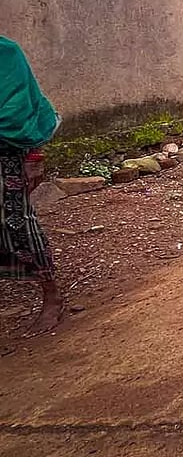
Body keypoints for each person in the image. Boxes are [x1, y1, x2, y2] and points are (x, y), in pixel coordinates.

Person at [0, 37, 64, 336]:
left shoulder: (6, 52)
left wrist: (35, 155)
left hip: (8, 153)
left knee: (18, 224)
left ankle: (51, 294)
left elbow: (24, 110)